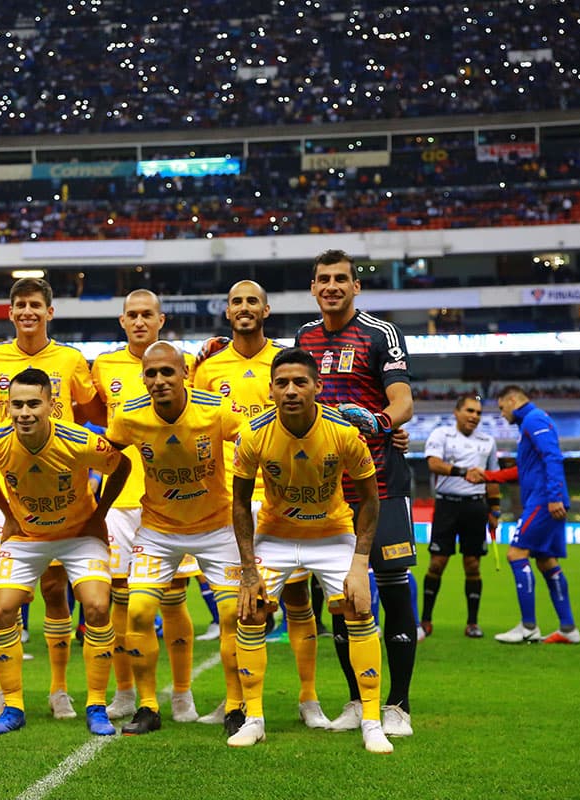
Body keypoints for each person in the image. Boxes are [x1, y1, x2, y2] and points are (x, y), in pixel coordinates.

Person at [232, 347, 393, 753]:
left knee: (358, 606)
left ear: (317, 387)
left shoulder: (343, 433)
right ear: (270, 390)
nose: (290, 390)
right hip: (276, 535)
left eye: (300, 382)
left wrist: (359, 563)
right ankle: (254, 719)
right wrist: (249, 570)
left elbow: (371, 501)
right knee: (250, 610)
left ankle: (372, 721)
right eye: (282, 383)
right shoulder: (254, 433)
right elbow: (238, 503)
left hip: (333, 535)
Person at [293, 248, 417, 737]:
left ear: (355, 286)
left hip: (381, 482)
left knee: (392, 588)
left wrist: (383, 422)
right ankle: (355, 700)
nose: (331, 287)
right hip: (328, 490)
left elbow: (402, 398)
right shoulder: (304, 337)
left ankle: (398, 705)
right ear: (313, 286)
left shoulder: (380, 333)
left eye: (340, 279)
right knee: (344, 599)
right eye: (323, 279)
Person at [0, 368, 131, 736]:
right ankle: (13, 706)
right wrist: (9, 514)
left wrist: (100, 514)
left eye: (33, 404)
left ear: (51, 406)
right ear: (5, 407)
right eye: (16, 405)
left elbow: (122, 466)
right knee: (1, 610)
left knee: (96, 605)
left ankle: (95, 704)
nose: (24, 413)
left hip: (78, 534)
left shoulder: (79, 441)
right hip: (27, 537)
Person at [0, 277, 103, 721]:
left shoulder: (69, 359)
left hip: (62, 486)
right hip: (12, 487)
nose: (27, 312)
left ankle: (60, 689)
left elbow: (87, 411)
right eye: (20, 305)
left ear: (50, 311)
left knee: (55, 590)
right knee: (6, 590)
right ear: (10, 312)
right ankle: (8, 691)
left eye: (35, 305)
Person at [193, 279, 326, 727]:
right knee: (238, 605)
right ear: (227, 312)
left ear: (266, 309)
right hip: (233, 498)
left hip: (286, 494)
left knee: (297, 597)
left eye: (252, 301)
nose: (245, 308)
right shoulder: (209, 368)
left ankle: (309, 698)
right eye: (236, 302)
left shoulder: (285, 363)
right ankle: (235, 701)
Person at [104, 342, 247, 740]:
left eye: (167, 372)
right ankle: (148, 707)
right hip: (159, 529)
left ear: (185, 373)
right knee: (138, 610)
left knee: (234, 615)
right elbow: (107, 455)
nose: (159, 380)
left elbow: (255, 440)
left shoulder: (214, 409)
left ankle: (236, 705)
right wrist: (95, 508)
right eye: (151, 374)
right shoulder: (129, 415)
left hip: (217, 527)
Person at [90, 290, 200, 723]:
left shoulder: (186, 362)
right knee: (120, 600)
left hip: (171, 500)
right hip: (118, 500)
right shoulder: (104, 366)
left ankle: (183, 695)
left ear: (161, 319)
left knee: (173, 600)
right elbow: (100, 420)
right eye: (132, 315)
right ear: (122, 321)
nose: (139, 321)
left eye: (146, 315)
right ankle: (123, 693)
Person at [471, 386, 580, 644]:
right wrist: (488, 476)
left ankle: (529, 626)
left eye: (501, 407)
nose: (501, 413)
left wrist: (554, 496)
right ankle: (568, 628)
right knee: (545, 560)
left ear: (512, 400)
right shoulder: (529, 425)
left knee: (516, 553)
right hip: (545, 497)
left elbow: (553, 456)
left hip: (544, 500)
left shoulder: (534, 419)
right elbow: (524, 470)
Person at [421, 393, 500, 639]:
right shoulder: (440, 435)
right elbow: (433, 464)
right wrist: (463, 471)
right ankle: (425, 620)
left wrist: (495, 509)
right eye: (469, 411)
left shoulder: (488, 441)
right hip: (447, 506)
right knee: (437, 563)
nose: (474, 416)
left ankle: (472, 623)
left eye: (478, 413)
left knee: (473, 565)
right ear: (456, 412)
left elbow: (493, 477)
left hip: (475, 508)